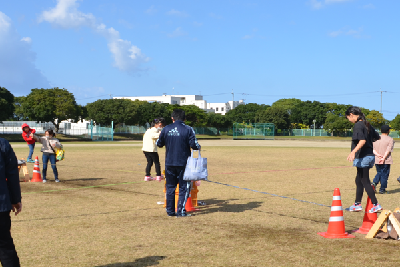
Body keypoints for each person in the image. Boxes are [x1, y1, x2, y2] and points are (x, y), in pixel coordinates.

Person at [157, 109, 201, 217]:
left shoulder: (166, 129)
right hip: (184, 163)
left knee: (170, 187)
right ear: (184, 119)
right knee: (184, 188)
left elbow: (159, 144)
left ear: (172, 118)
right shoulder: (188, 129)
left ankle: (170, 211)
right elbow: (194, 145)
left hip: (169, 163)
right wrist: (199, 146)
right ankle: (181, 211)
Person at [345, 106, 382, 213]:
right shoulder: (367, 124)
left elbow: (362, 141)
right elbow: (377, 137)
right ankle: (357, 204)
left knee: (365, 180)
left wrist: (353, 152)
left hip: (363, 156)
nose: (349, 120)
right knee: (359, 179)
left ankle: (376, 204)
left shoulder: (358, 125)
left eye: (348, 118)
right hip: (369, 156)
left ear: (351, 115)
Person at [0, 138, 22, 267]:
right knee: (4, 246)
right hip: (1, 204)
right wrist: (15, 199)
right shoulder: (2, 144)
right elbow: (12, 173)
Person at [372, 125, 395, 194]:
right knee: (384, 174)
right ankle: (382, 189)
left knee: (379, 172)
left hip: (377, 159)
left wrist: (378, 155)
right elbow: (388, 150)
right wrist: (384, 158)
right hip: (386, 160)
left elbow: (372, 148)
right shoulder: (390, 139)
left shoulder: (375, 138)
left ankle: (374, 184)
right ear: (388, 131)